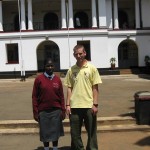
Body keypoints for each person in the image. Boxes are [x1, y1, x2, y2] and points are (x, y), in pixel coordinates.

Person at [64, 44, 102, 150]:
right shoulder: (71, 70)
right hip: (74, 106)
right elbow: (69, 88)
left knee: (92, 133)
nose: (79, 56)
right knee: (75, 135)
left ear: (85, 53)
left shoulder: (92, 69)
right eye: (76, 54)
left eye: (80, 53)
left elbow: (95, 87)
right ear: (74, 55)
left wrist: (95, 104)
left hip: (89, 106)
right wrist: (67, 105)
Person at [32, 59, 65, 150]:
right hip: (43, 111)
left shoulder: (57, 79)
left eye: (51, 66)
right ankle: (46, 148)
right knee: (45, 132)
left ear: (53, 67)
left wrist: (63, 110)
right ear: (44, 67)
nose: (50, 67)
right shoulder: (39, 79)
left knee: (55, 132)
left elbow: (61, 96)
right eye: (48, 66)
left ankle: (55, 148)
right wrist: (35, 112)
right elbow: (34, 97)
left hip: (56, 111)